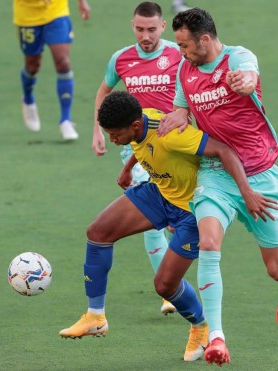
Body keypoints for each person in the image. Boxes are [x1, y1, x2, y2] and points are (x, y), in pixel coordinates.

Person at [59, 91, 278, 362]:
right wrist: (128, 167)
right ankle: (96, 316)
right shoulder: (144, 118)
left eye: (115, 135)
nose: (112, 140)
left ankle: (201, 326)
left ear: (134, 125)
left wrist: (246, 193)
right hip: (160, 193)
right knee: (98, 232)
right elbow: (142, 145)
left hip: (192, 211)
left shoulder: (173, 134)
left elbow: (223, 150)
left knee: (164, 285)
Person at [158, 8, 278, 366]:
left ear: (205, 40)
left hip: (260, 175)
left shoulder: (238, 57)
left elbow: (249, 76)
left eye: (185, 44)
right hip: (216, 174)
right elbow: (183, 107)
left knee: (276, 269)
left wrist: (246, 84)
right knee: (208, 243)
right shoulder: (184, 68)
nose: (180, 51)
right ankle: (217, 337)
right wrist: (181, 114)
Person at [91, 2, 183, 314]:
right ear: (133, 26)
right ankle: (169, 291)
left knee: (173, 218)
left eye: (152, 29)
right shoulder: (121, 58)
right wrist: (96, 130)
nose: (146, 36)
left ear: (163, 26)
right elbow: (104, 92)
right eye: (140, 29)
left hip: (175, 149)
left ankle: (172, 282)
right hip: (136, 149)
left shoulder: (176, 54)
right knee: (151, 222)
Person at [13, 0, 91, 141]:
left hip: (56, 11)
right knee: (32, 66)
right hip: (27, 14)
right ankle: (28, 98)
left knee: (63, 62)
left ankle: (66, 120)